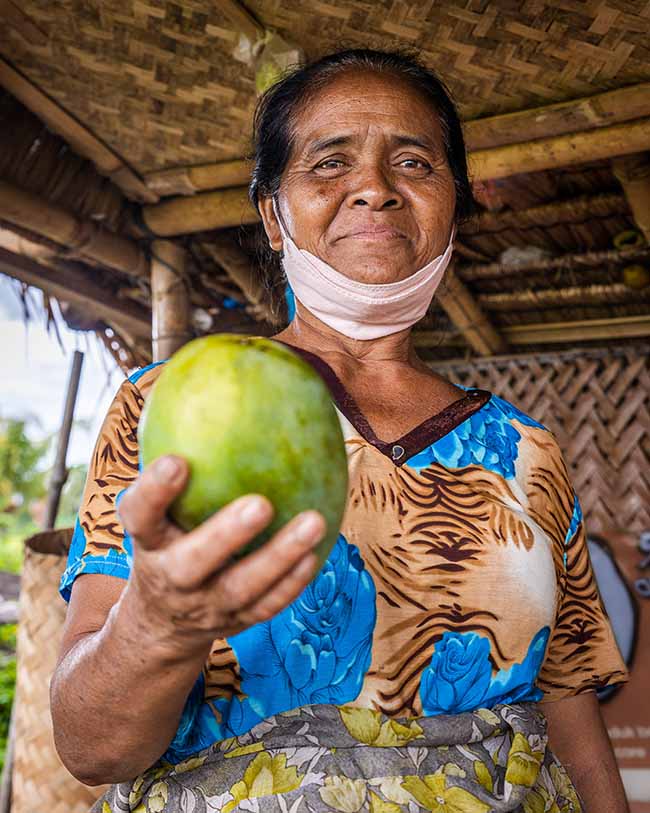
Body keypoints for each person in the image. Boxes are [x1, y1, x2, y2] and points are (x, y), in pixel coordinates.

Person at [51, 49, 630, 813]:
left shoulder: (526, 450)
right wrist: (158, 624)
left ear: (453, 201)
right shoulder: (161, 407)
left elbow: (577, 739)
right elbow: (92, 749)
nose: (376, 189)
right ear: (272, 211)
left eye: (415, 162)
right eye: (329, 162)